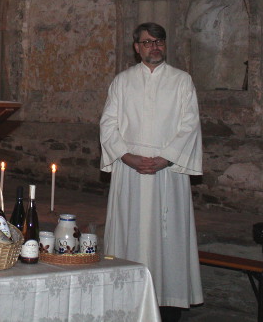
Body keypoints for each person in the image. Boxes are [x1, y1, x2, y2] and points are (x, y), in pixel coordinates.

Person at [99, 23, 203, 322]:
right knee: (129, 234)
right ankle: (125, 304)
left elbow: (190, 124)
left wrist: (166, 158)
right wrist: (128, 156)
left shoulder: (182, 81)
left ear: (165, 45)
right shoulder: (122, 81)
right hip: (129, 173)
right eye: (147, 42)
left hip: (167, 175)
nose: (153, 47)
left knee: (167, 240)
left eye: (158, 41)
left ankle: (167, 305)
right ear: (137, 47)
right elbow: (108, 124)